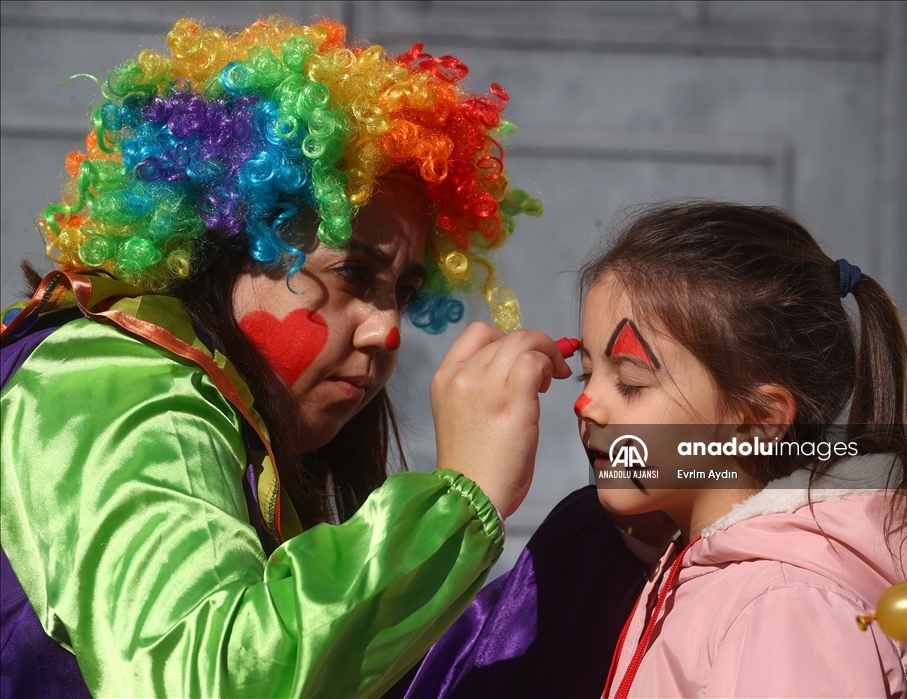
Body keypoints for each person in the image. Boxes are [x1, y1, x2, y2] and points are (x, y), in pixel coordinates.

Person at [0, 15, 566, 698]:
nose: (387, 331)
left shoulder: (222, 411)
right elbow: (203, 679)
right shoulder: (115, 380)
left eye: (405, 291)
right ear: (221, 247)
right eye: (352, 273)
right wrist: (457, 501)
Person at [566, 202, 907, 698]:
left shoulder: (787, 607)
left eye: (630, 383)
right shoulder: (704, 571)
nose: (586, 405)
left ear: (756, 420)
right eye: (587, 374)